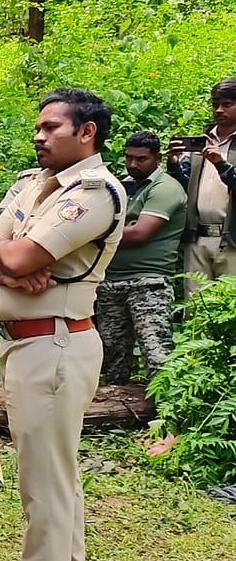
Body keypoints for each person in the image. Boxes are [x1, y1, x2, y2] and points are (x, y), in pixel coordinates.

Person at [0, 88, 125, 561]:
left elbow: (10, 253)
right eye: (38, 128)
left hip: (55, 346)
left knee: (45, 488)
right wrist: (9, 272)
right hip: (26, 345)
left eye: (51, 128)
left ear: (87, 132)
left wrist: (8, 262)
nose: (38, 137)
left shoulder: (94, 193)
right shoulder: (38, 183)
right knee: (54, 483)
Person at [97, 131, 186, 384]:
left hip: (149, 283)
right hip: (111, 281)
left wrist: (92, 234)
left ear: (157, 158)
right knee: (112, 355)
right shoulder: (122, 186)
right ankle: (116, 411)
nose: (133, 164)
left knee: (156, 353)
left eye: (142, 159)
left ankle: (166, 414)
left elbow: (140, 233)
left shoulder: (166, 188)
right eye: (129, 157)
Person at [167, 77, 236, 295]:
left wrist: (221, 164)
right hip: (198, 236)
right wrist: (174, 164)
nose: (219, 110)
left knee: (229, 309)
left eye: (227, 104)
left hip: (232, 239)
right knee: (195, 306)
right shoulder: (202, 141)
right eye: (215, 104)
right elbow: (183, 187)